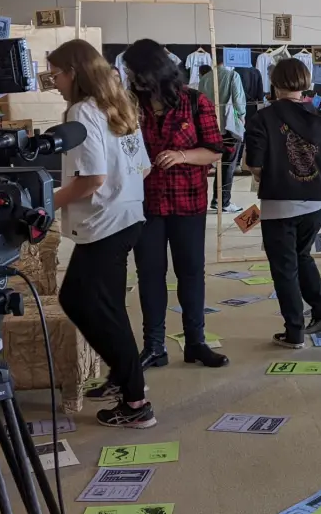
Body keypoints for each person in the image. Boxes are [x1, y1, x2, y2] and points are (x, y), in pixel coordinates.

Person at [48, 39, 159, 427]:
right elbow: (141, 167)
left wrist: (49, 203)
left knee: (78, 299)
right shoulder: (118, 105)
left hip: (104, 224)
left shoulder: (80, 112)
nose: (55, 82)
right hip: (128, 217)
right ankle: (122, 378)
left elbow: (91, 179)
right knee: (106, 305)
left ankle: (135, 400)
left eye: (56, 74)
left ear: (73, 73)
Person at [120, 40, 229, 372]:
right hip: (145, 203)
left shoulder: (195, 102)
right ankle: (154, 346)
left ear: (150, 71)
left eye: (134, 72)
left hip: (188, 201)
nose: (130, 78)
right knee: (150, 274)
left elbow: (214, 150)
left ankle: (196, 343)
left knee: (191, 272)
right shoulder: (128, 104)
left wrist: (181, 156)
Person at [246, 57, 321, 349]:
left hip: (279, 203)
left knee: (284, 267)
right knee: (302, 255)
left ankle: (294, 331)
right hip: (315, 202)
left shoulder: (263, 117)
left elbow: (255, 164)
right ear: (306, 83)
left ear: (274, 83)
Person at [198, 62, 247, 213]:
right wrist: (242, 118)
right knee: (229, 164)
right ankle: (223, 201)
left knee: (217, 163)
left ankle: (216, 199)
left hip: (209, 126)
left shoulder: (204, 78)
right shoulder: (233, 75)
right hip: (229, 126)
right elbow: (239, 101)